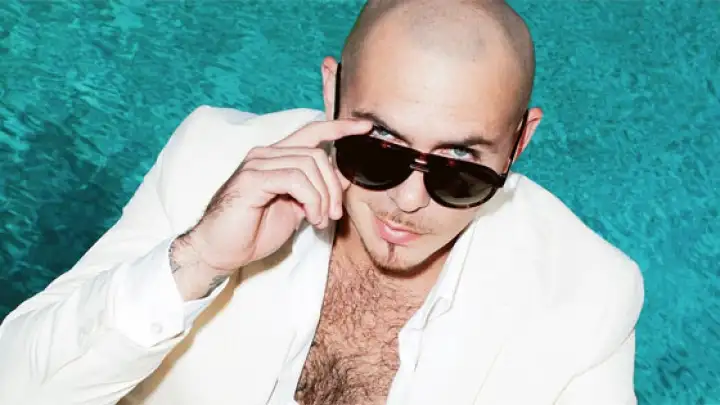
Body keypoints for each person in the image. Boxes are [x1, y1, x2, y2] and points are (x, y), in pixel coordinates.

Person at [0, 0, 645, 404]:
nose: (408, 200)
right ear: (332, 92)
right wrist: (196, 262)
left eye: (459, 169)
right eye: (380, 148)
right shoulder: (210, 159)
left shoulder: (587, 295)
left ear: (520, 143)